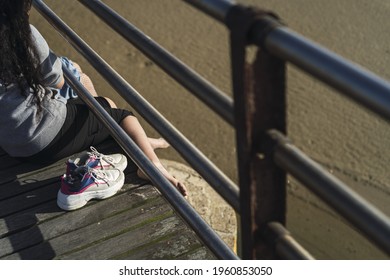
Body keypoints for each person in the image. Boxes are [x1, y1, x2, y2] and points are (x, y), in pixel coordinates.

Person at [0, 0, 187, 200]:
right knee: (119, 114)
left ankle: (130, 137)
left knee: (90, 95)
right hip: (42, 140)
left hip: (10, 142)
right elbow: (57, 81)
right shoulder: (23, 35)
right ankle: (150, 166)